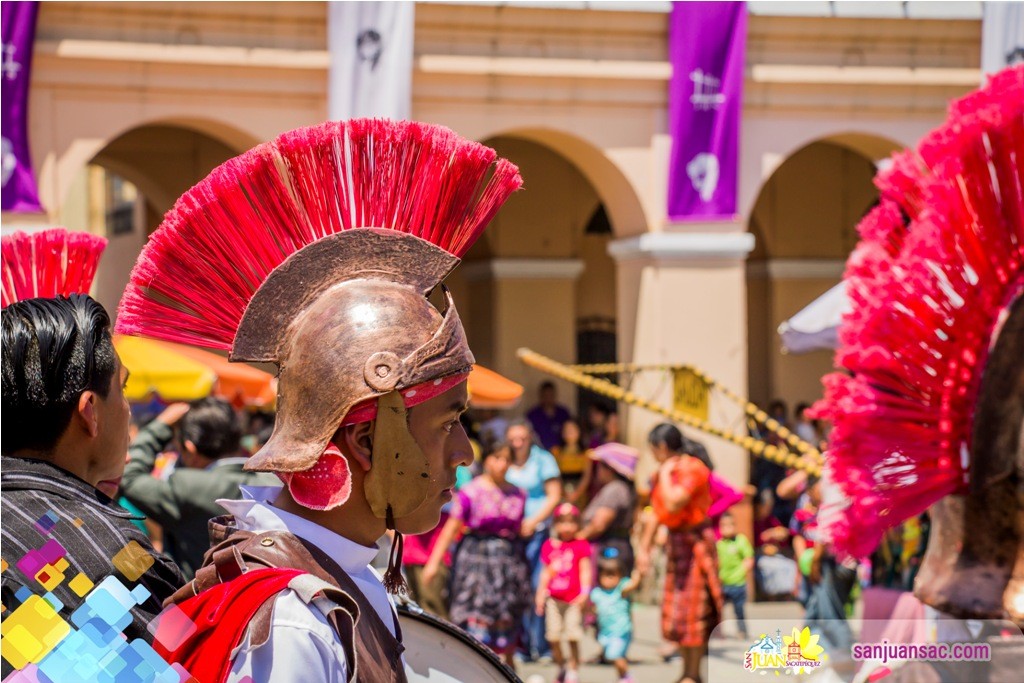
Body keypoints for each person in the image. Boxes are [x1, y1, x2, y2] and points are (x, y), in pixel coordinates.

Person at [116, 119, 523, 682]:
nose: (465, 452)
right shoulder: (293, 627)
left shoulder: (338, 579)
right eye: (449, 421)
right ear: (363, 439)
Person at [0, 291, 185, 665]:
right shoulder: (112, 557)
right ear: (90, 412)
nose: (128, 409)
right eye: (123, 388)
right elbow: (187, 662)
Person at [119, 397, 280, 578]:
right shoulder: (274, 483)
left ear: (190, 449)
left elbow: (130, 476)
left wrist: (160, 426)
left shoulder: (187, 488)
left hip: (201, 601)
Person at [425, 444, 532, 668]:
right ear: (488, 459)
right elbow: (451, 528)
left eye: (506, 459)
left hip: (508, 563)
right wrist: (433, 564)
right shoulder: (471, 491)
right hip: (475, 562)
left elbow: (520, 528)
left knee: (508, 612)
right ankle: (472, 668)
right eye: (497, 457)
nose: (502, 464)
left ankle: (508, 670)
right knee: (474, 614)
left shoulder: (519, 494)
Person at [638, 422, 722, 683]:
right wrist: (644, 549)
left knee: (695, 613)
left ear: (662, 447)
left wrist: (663, 473)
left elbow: (674, 502)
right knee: (679, 613)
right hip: (677, 544)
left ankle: (693, 673)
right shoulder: (666, 472)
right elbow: (656, 513)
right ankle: (687, 671)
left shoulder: (692, 468)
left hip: (695, 544)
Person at [504, 419, 563, 661]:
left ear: (530, 438)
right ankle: (522, 644)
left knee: (539, 585)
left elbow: (554, 496)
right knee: (517, 588)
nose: (518, 444)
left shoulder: (544, 460)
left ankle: (542, 643)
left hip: (537, 532)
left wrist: (533, 521)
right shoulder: (504, 459)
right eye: (513, 439)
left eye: (522, 439)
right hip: (512, 534)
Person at [536, 503, 592, 683]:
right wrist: (539, 595)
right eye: (562, 522)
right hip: (553, 599)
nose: (567, 527)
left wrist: (585, 593)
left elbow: (585, 570)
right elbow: (545, 573)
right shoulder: (549, 546)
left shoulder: (581, 545)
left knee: (573, 635)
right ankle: (561, 667)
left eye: (571, 522)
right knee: (553, 636)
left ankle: (573, 670)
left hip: (573, 599)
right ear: (556, 524)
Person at [577, 442, 638, 573]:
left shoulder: (615, 489)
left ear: (609, 469)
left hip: (611, 550)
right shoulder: (618, 488)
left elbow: (599, 525)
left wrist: (577, 539)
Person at [590, 552, 641, 683]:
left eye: (613, 575)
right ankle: (622, 677)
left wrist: (639, 569)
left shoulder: (621, 590)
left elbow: (634, 584)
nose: (609, 579)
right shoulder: (597, 593)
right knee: (611, 657)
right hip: (605, 632)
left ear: (620, 575)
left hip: (621, 631)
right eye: (606, 575)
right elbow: (591, 609)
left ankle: (627, 677)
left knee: (615, 656)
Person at [716, 512, 753, 639]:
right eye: (723, 525)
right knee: (718, 609)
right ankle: (717, 631)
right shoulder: (719, 544)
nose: (727, 528)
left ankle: (742, 631)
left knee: (739, 610)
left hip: (738, 583)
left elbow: (749, 558)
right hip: (723, 582)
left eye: (730, 525)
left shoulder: (741, 541)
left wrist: (742, 571)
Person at [526, 381, 572, 452]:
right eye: (545, 395)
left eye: (550, 395)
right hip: (539, 454)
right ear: (541, 396)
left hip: (562, 454)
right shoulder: (533, 414)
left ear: (555, 395)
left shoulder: (563, 413)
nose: (548, 398)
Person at [551, 418, 589, 492]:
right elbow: (554, 475)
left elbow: (586, 478)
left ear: (579, 431)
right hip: (561, 493)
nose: (568, 432)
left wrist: (575, 495)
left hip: (580, 495)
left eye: (572, 429)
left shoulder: (586, 454)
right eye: (566, 430)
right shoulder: (555, 452)